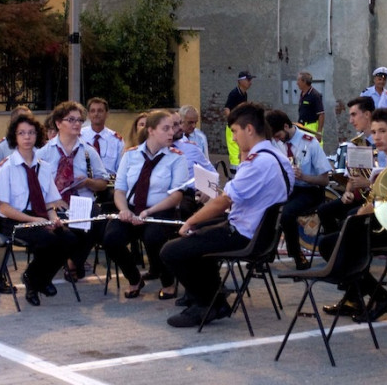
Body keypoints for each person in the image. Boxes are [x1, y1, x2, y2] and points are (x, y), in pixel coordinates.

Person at [161, 102, 293, 328]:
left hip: (245, 235)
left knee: (171, 250)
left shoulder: (258, 162)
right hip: (258, 232)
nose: (233, 138)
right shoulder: (278, 157)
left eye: (235, 131)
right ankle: (215, 300)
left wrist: (191, 221)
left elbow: (224, 201)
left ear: (249, 129)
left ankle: (205, 304)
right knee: (199, 235)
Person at [322, 108, 387, 320]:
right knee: (345, 235)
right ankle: (356, 298)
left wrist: (359, 213)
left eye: (382, 131)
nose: (376, 137)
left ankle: (377, 296)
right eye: (375, 132)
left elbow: (383, 204)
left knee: (332, 244)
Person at [0, 113, 87, 306]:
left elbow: (50, 201)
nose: (27, 137)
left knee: (69, 239)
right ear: (14, 137)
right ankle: (36, 282)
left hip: (40, 217)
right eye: (22, 133)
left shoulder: (44, 167)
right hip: (15, 221)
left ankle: (35, 278)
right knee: (48, 240)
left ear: (37, 135)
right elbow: (3, 207)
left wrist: (53, 218)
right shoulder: (6, 167)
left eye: (31, 133)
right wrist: (33, 220)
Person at [104, 110, 189, 299]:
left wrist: (149, 211)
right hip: (133, 209)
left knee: (153, 238)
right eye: (165, 128)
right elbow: (120, 189)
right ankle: (134, 279)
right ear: (150, 130)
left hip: (161, 210)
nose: (171, 132)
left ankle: (168, 282)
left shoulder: (177, 157)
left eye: (172, 128)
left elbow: (176, 196)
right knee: (111, 238)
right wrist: (124, 210)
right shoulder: (131, 155)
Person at [36, 101, 111, 278]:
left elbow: (103, 182)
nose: (77, 124)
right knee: (63, 228)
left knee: (98, 220)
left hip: (82, 201)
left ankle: (73, 262)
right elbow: (35, 185)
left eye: (79, 120)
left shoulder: (87, 151)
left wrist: (87, 182)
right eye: (71, 120)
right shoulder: (45, 152)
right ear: (58, 123)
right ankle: (62, 260)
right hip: (54, 204)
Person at [266, 109, 331, 270]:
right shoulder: (276, 142)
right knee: (267, 207)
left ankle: (297, 255)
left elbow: (325, 180)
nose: (277, 140)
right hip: (288, 188)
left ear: (286, 126)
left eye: (278, 135)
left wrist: (304, 177)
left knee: (287, 213)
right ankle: (266, 252)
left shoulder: (309, 143)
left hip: (310, 189)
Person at [316, 96, 376, 236]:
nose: (351, 120)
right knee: (324, 210)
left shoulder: (380, 143)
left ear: (367, 114)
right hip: (360, 197)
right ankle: (337, 247)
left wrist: (367, 182)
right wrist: (347, 192)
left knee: (350, 217)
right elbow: (352, 178)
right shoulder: (357, 143)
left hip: (376, 199)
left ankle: (345, 248)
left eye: (354, 115)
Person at [170, 110, 217, 219]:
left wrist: (207, 188)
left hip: (186, 195)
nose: (180, 127)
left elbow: (211, 172)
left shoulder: (191, 148)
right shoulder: (153, 150)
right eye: (175, 125)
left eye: (180, 123)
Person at [81, 97, 125, 175]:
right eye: (92, 111)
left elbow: (121, 169)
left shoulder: (116, 140)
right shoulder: (79, 137)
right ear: (88, 115)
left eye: (100, 111)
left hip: (110, 184)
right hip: (84, 183)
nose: (96, 114)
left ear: (107, 114)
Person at [223, 71, 254, 171]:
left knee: (241, 148)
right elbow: (227, 109)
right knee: (234, 151)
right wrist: (232, 122)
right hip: (233, 127)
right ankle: (234, 172)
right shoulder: (234, 93)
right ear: (240, 81)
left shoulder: (244, 94)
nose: (250, 82)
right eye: (248, 80)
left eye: (251, 80)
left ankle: (241, 169)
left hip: (239, 126)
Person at [296, 71, 325, 143]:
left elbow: (321, 114)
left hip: (312, 128)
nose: (297, 83)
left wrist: (319, 133)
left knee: (314, 150)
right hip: (302, 127)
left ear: (304, 82)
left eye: (298, 80)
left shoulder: (315, 95)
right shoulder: (302, 94)